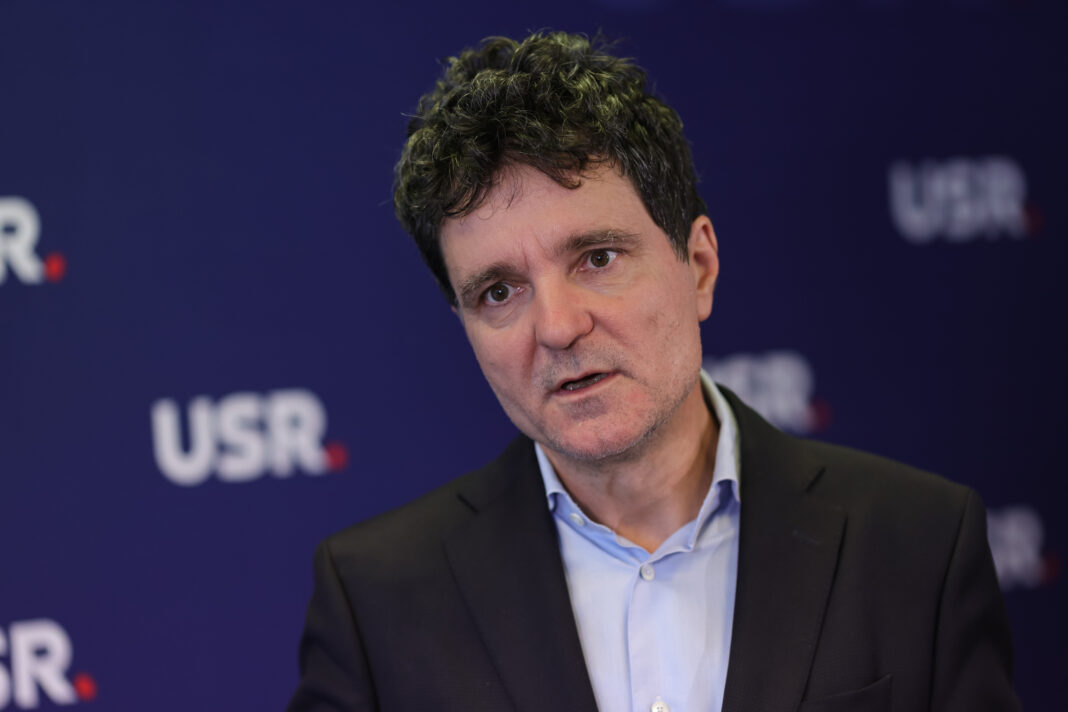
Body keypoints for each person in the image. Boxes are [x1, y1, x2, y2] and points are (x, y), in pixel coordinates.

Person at [288, 32, 1019, 712]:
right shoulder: (374, 602)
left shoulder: (917, 544)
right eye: (500, 292)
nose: (558, 326)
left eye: (598, 258)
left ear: (698, 266)